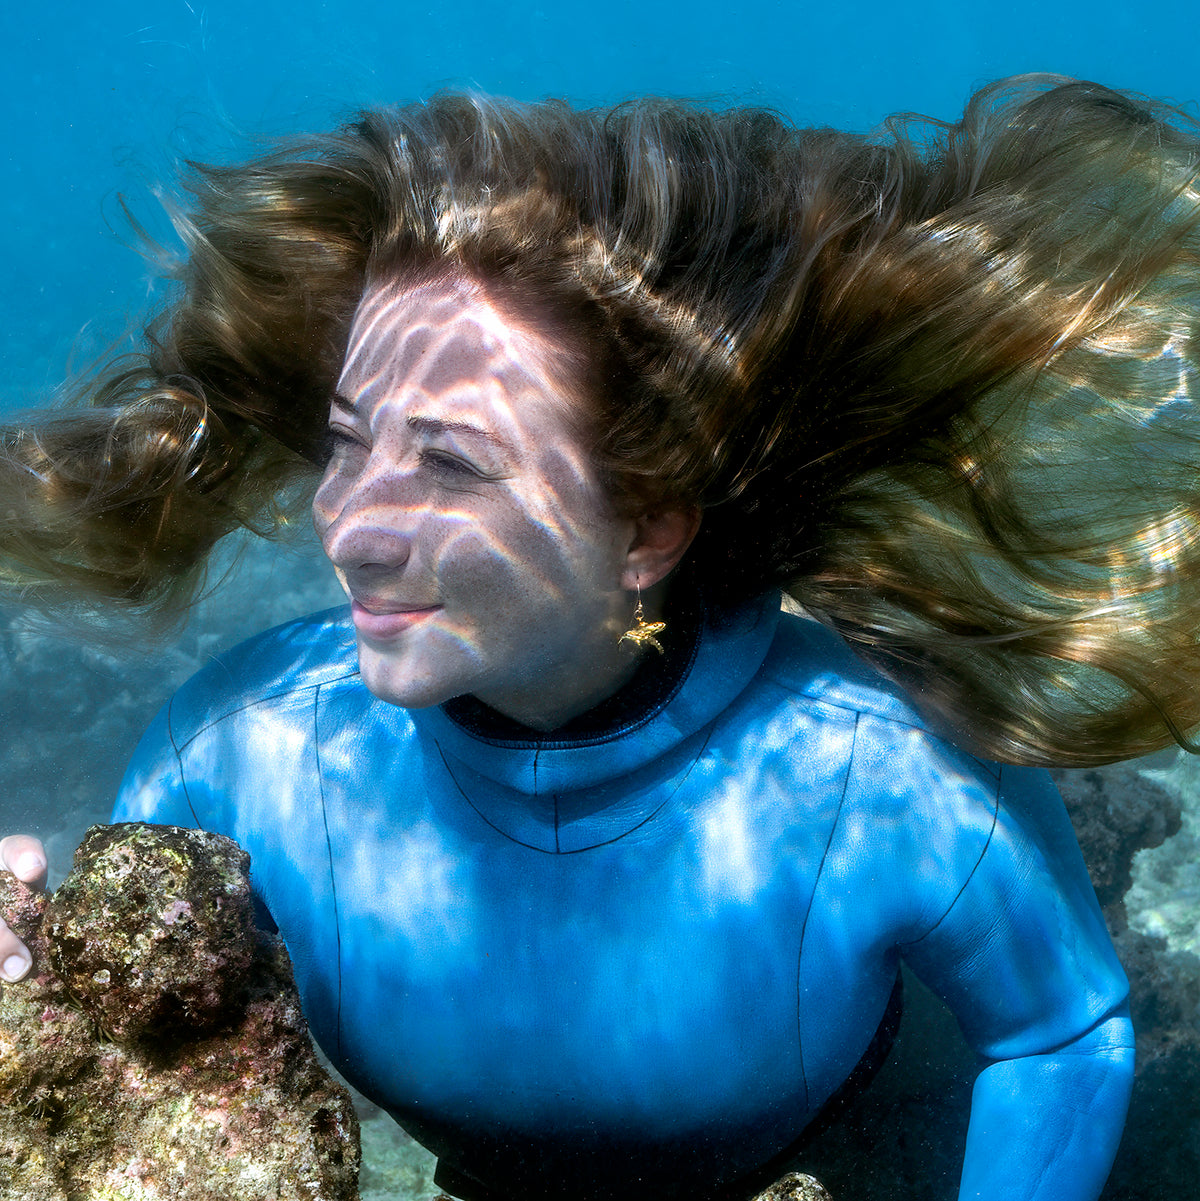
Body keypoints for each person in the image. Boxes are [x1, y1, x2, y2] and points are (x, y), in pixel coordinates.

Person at [5, 73, 1200, 1199]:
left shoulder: (890, 772)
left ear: (646, 527)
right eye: (348, 440)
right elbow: (134, 1017)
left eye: (452, 463)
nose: (351, 526)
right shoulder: (234, 749)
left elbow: (1061, 1032)